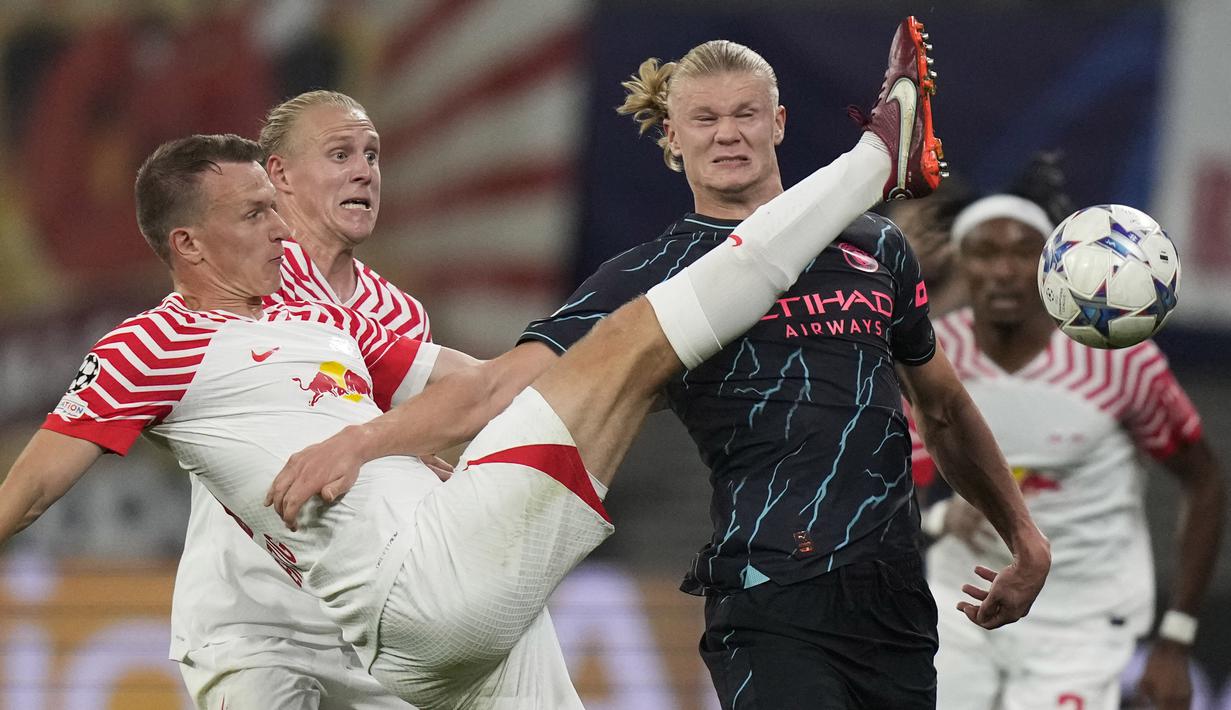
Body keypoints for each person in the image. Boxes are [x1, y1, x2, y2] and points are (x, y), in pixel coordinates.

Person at [266, 19, 1052, 709]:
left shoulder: (873, 246)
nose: (727, 134)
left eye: (745, 114)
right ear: (671, 139)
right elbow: (501, 383)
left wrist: (1025, 537)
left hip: (894, 597)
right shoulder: (646, 278)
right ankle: (883, 145)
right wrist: (364, 442)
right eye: (702, 119)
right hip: (769, 593)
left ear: (778, 122)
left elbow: (941, 406)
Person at [171, 91, 430, 709]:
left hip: (366, 629)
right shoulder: (236, 285)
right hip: (251, 621)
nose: (364, 171)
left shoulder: (403, 315)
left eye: (371, 155)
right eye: (340, 154)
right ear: (279, 174)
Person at [914, 194, 1225, 710]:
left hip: (1082, 618)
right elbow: (891, 485)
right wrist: (941, 518)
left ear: (1052, 265)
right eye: (985, 252)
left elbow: (1205, 482)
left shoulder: (1123, 366)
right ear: (960, 263)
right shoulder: (930, 356)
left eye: (1023, 253)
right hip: (960, 603)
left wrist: (1176, 636)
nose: (1004, 270)